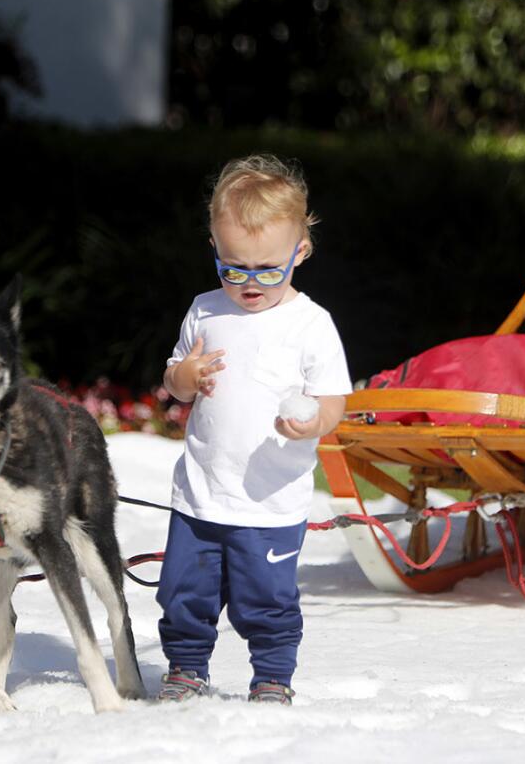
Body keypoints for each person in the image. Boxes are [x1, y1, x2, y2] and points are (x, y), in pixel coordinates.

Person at [155, 154, 352, 706]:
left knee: (265, 600)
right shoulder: (204, 311)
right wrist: (185, 377)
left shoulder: (309, 324)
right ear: (216, 250)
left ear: (301, 252)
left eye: (268, 270)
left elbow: (333, 399)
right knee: (182, 593)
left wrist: (313, 421)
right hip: (199, 493)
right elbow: (176, 380)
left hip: (270, 501)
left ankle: (271, 674)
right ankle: (187, 667)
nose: (249, 284)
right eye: (233, 268)